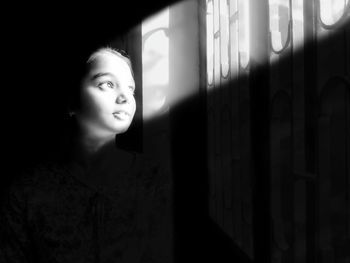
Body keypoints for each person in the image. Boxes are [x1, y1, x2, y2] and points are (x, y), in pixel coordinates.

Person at [0, 47, 172, 263]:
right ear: (72, 100)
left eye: (131, 89)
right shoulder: (28, 192)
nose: (125, 98)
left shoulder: (152, 180)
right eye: (107, 84)